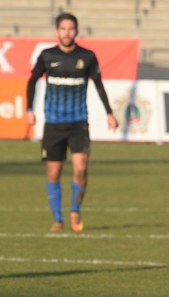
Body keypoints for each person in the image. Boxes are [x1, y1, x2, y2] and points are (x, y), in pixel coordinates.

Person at [26, 13, 118, 233]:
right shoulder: (47, 55)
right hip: (53, 124)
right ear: (57, 31)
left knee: (80, 169)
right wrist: (29, 109)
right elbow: (31, 81)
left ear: (76, 31)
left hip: (78, 123)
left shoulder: (86, 56)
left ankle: (75, 208)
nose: (67, 33)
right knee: (53, 173)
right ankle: (57, 219)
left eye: (71, 29)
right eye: (63, 29)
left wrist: (109, 112)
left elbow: (98, 84)